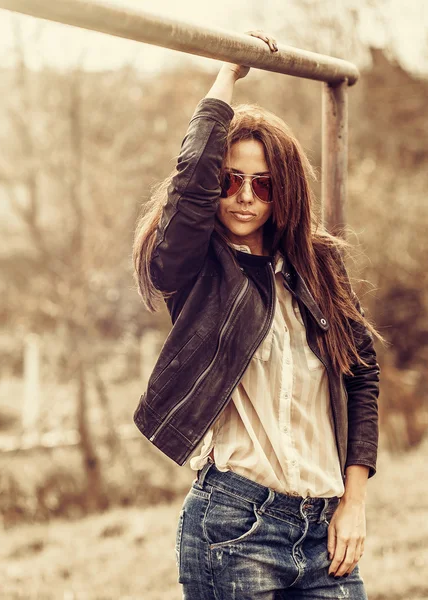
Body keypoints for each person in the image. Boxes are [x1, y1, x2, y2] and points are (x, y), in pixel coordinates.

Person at [131, 31, 385, 599]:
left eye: (263, 184)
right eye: (231, 180)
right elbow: (189, 190)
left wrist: (354, 502)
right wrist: (226, 78)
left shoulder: (319, 266)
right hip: (232, 527)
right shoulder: (199, 269)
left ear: (285, 191)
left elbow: (362, 376)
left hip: (325, 532)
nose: (245, 195)